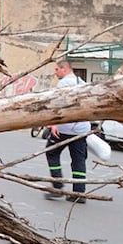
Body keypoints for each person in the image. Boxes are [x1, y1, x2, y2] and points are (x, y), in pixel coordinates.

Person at [44, 59, 89, 204]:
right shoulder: (82, 83)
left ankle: (58, 187)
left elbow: (57, 105)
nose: (55, 72)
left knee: (51, 152)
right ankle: (79, 193)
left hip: (65, 128)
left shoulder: (63, 84)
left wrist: (54, 123)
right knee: (78, 160)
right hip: (81, 129)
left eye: (57, 69)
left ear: (64, 69)